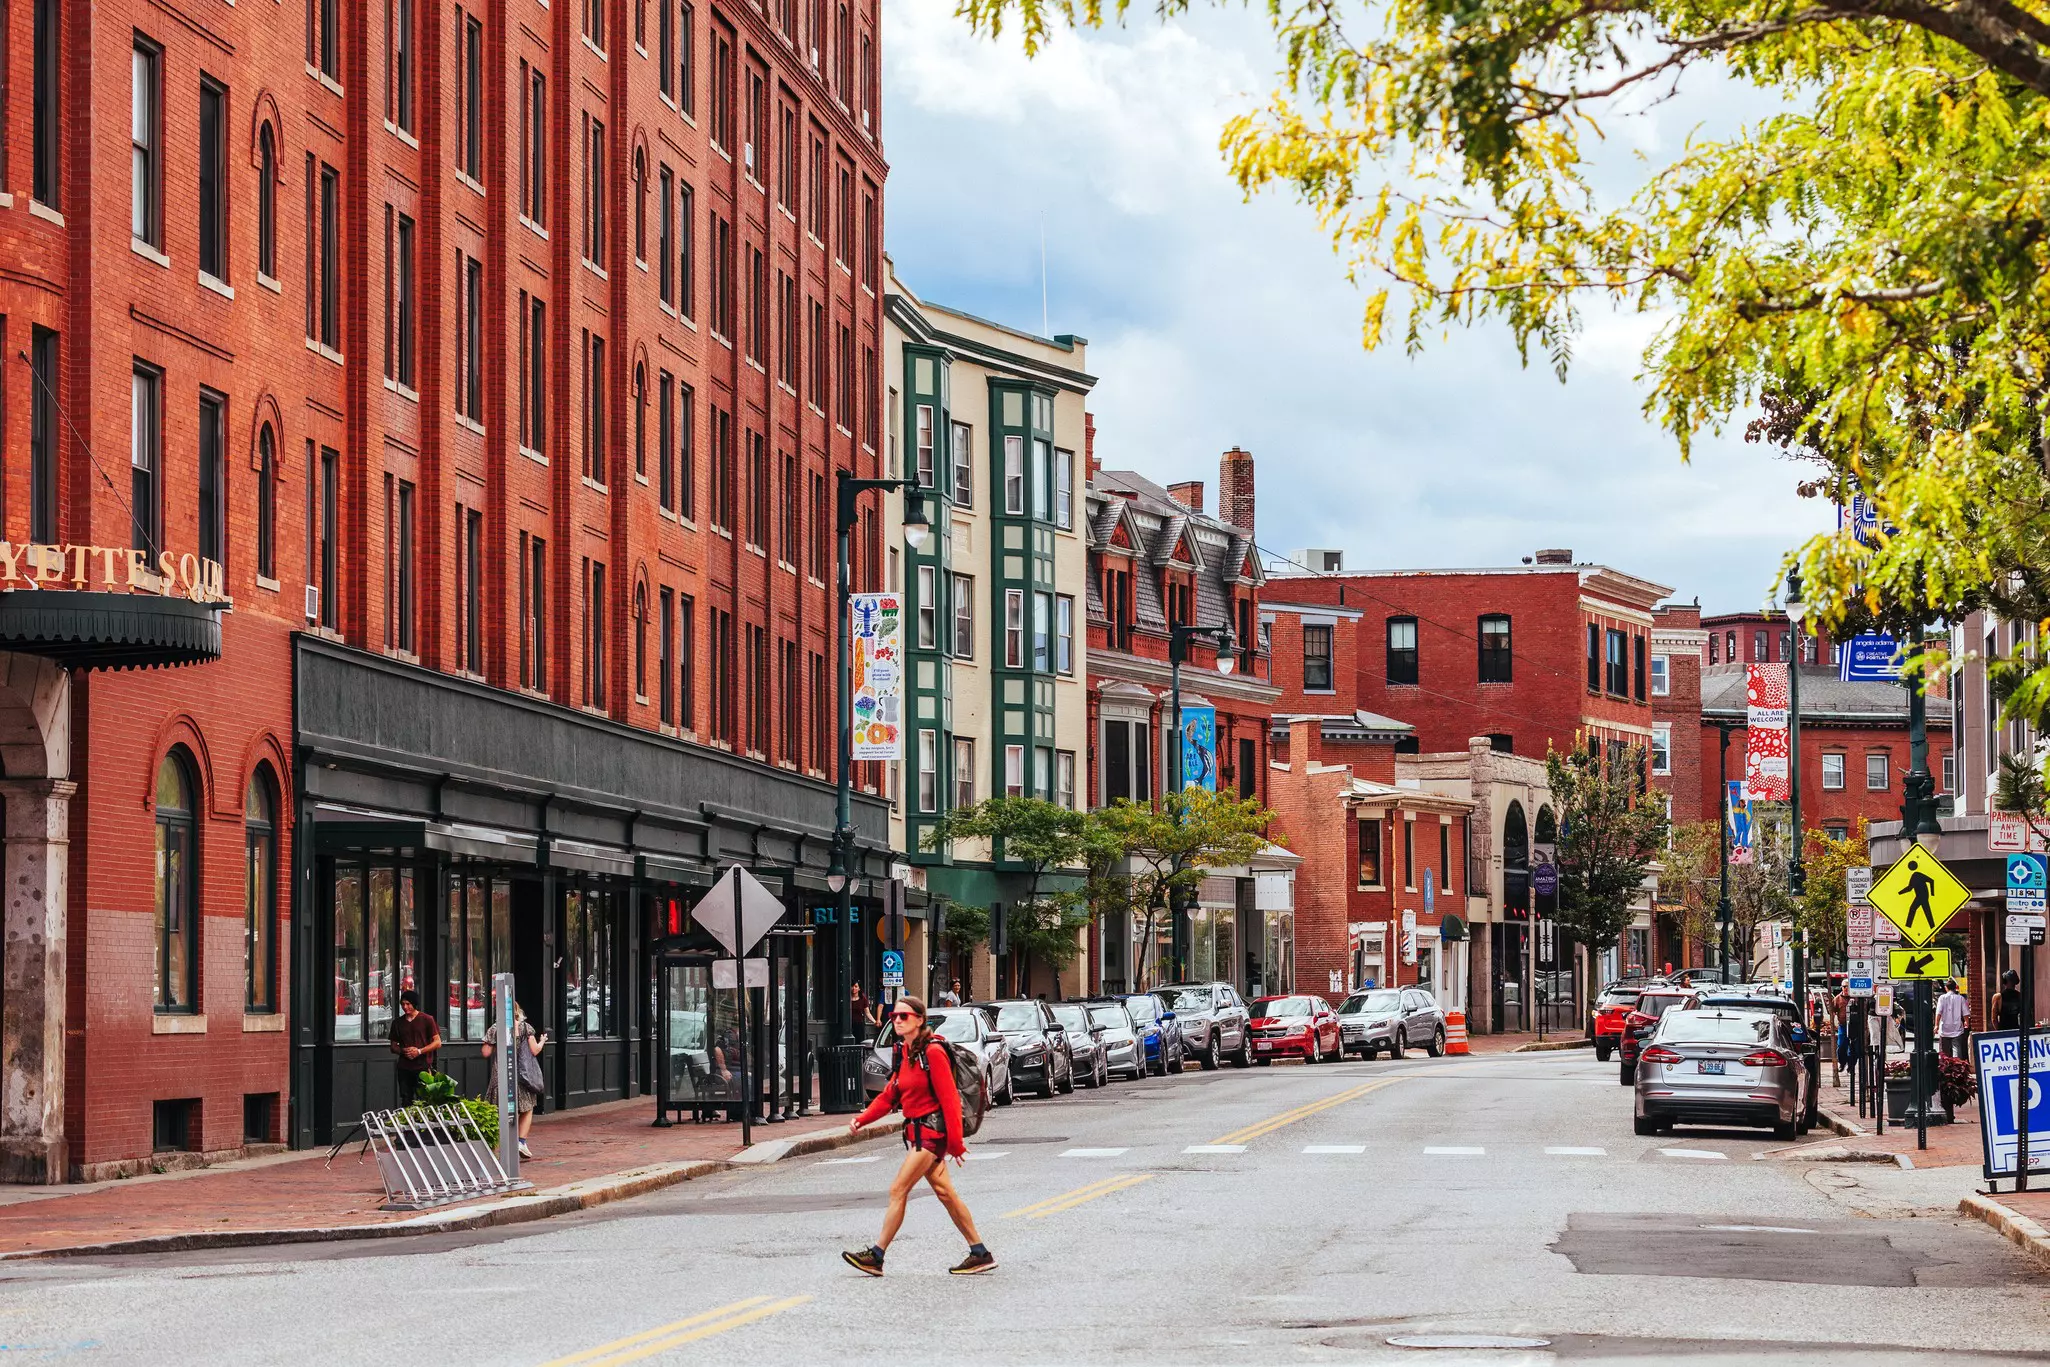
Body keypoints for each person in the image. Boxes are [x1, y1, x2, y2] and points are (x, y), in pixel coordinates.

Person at [842, 995, 993, 1277]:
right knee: (945, 1193)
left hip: (931, 1133)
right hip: (917, 1132)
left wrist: (956, 1143)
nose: (897, 1021)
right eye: (894, 1017)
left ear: (919, 1020)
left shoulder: (933, 1052)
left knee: (898, 1190)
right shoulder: (904, 1052)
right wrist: (861, 1120)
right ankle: (980, 1252)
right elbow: (890, 1096)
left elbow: (949, 1099)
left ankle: (876, 1256)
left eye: (904, 1016)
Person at [483, 1002, 548, 1159]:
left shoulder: (495, 1028)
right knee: (527, 1107)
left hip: (501, 1075)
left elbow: (485, 1052)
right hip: (521, 1076)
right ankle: (521, 1142)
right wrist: (543, 1040)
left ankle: (495, 1147)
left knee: (498, 1109)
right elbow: (534, 1050)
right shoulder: (526, 1028)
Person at [387, 990, 442, 1106]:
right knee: (406, 1098)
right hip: (404, 1067)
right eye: (403, 1004)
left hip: (422, 1066)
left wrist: (419, 1051)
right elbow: (393, 1046)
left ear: (414, 1003)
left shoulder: (427, 1019)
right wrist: (403, 1051)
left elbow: (437, 1042)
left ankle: (424, 1122)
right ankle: (407, 1122)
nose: (405, 1007)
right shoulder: (397, 1023)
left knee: (424, 1098)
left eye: (408, 1004)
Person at [1935, 978, 1971, 1058]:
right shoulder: (1960, 998)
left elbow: (1938, 1013)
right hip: (1957, 1028)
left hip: (1944, 1029)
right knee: (1957, 1049)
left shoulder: (1942, 998)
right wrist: (1966, 1022)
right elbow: (1965, 1013)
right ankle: (1957, 1067)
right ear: (1955, 988)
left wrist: (1936, 1025)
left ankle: (1946, 1067)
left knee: (1944, 1052)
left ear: (1946, 988)